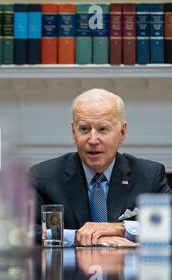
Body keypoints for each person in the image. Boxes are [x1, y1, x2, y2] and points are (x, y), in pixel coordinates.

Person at [29, 88, 171, 247]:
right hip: (68, 271)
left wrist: (122, 229)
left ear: (122, 132)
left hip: (129, 271)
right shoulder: (43, 177)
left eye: (103, 129)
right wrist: (77, 237)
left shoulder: (149, 175)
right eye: (84, 129)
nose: (93, 139)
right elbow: (22, 232)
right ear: (73, 132)